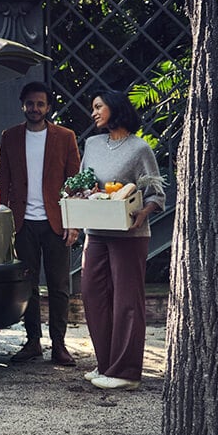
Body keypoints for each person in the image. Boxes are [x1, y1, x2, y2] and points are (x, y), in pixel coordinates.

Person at [73, 88, 165, 391]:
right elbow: (84, 183)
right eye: (93, 107)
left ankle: (126, 373)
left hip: (129, 234)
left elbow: (156, 194)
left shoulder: (140, 149)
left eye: (99, 106)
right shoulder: (92, 143)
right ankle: (107, 363)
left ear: (115, 108)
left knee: (126, 301)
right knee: (93, 296)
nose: (94, 113)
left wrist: (144, 212)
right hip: (96, 232)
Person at [0, 81, 82, 365]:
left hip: (56, 223)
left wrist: (74, 222)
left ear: (48, 107)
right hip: (23, 224)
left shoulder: (65, 137)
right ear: (23, 104)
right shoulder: (9, 137)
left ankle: (59, 345)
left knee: (59, 286)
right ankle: (33, 341)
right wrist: (5, 220)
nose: (35, 109)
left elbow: (75, 183)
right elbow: (2, 181)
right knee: (28, 285)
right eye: (30, 103)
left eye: (40, 104)